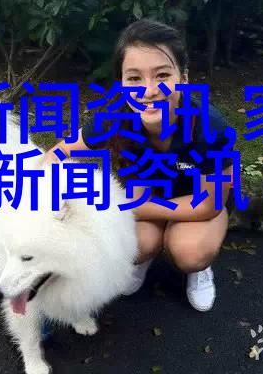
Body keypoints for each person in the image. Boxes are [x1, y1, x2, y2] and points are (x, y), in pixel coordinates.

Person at [43, 19, 234, 312]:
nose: (149, 90)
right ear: (121, 84)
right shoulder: (114, 117)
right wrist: (45, 192)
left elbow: (208, 205)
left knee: (190, 252)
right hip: (148, 197)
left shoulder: (211, 127)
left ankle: (199, 270)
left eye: (162, 75)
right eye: (134, 78)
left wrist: (129, 207)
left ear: (183, 78)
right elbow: (61, 151)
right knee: (133, 247)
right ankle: (145, 257)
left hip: (198, 203)